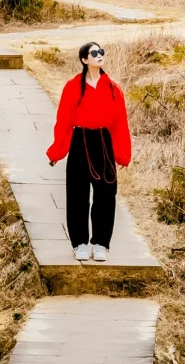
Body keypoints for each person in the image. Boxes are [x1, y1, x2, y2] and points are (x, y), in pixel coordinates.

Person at [46, 40, 131, 262]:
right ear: (85, 59)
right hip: (79, 139)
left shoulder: (113, 88)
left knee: (105, 195)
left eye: (101, 52)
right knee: (77, 195)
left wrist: (122, 153)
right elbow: (63, 120)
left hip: (103, 142)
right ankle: (80, 244)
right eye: (94, 53)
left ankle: (101, 243)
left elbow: (120, 123)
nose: (99, 55)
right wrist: (57, 151)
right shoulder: (73, 86)